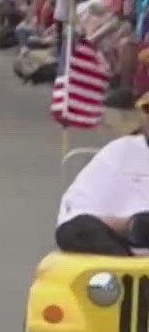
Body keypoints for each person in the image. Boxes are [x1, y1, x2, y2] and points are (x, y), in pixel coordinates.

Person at [56, 97, 149, 255]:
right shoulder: (120, 153)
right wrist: (130, 226)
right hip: (126, 263)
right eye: (147, 110)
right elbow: (74, 222)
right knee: (78, 231)